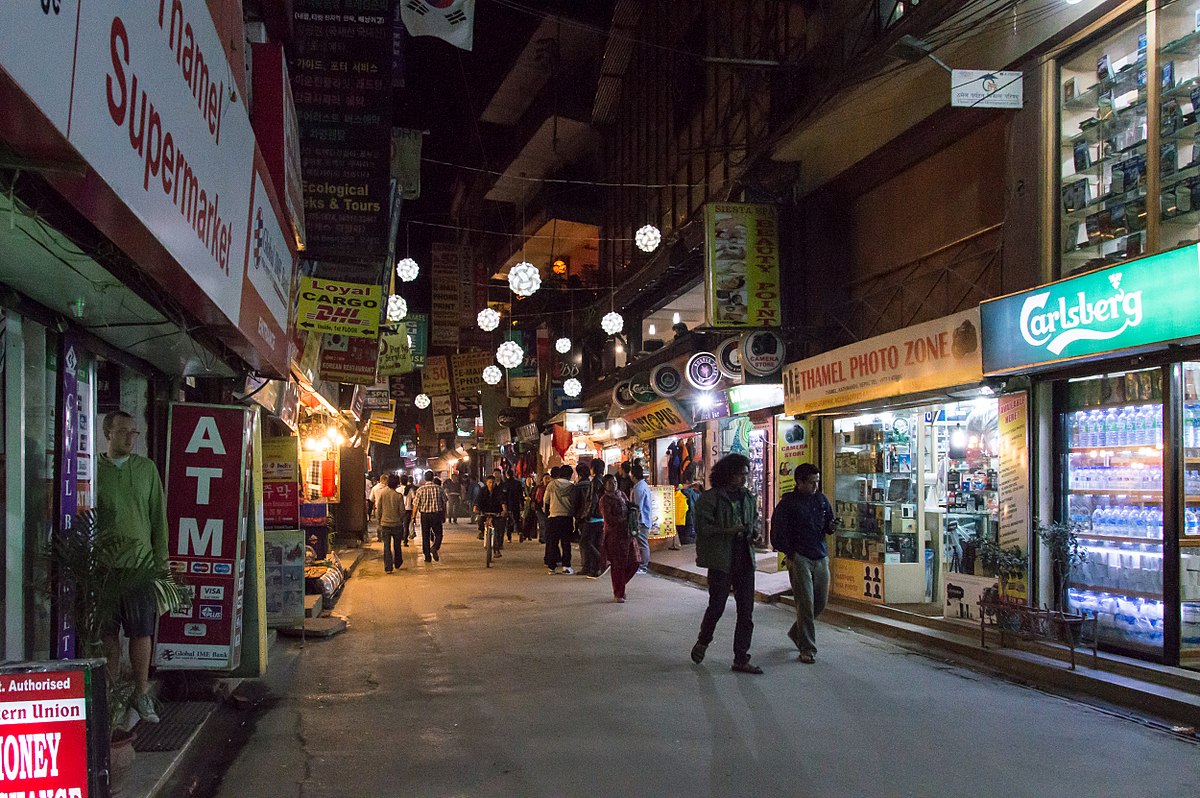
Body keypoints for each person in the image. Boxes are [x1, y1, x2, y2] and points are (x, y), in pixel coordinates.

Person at [97, 410, 168, 723]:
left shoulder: (146, 469)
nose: (130, 437)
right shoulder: (93, 467)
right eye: (123, 431)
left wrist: (161, 564)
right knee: (107, 633)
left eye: (134, 432)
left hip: (139, 565)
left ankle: (141, 692)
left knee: (140, 632)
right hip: (103, 566)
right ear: (107, 433)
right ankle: (111, 696)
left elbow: (158, 520)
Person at [690, 453, 762, 674]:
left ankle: (741, 657)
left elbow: (754, 521)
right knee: (717, 606)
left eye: (745, 475)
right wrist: (728, 531)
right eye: (740, 475)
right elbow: (702, 529)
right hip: (721, 560)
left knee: (746, 612)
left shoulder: (747, 497)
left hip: (745, 560)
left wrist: (754, 533)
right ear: (727, 474)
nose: (744, 479)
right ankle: (703, 641)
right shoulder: (710, 499)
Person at [771, 463, 836, 664]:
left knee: (820, 601)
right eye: (811, 482)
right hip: (800, 557)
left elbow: (828, 525)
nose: (815, 486)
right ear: (799, 482)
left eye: (817, 482)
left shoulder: (821, 500)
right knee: (805, 603)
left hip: (820, 555)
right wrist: (790, 553)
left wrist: (833, 526)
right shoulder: (788, 504)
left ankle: (796, 632)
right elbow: (777, 533)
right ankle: (807, 648)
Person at [599, 475, 640, 601]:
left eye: (615, 482)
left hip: (627, 535)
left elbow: (628, 506)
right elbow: (609, 519)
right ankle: (619, 593)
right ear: (605, 485)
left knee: (635, 562)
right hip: (614, 536)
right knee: (618, 565)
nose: (613, 485)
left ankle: (620, 585)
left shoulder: (621, 494)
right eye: (610, 483)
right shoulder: (604, 500)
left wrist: (633, 510)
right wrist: (624, 521)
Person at [543, 465, 576, 574]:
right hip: (567, 517)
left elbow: (546, 500)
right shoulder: (572, 487)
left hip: (553, 517)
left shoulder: (551, 485)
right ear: (570, 475)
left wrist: (548, 513)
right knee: (566, 543)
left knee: (553, 543)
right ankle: (566, 566)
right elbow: (574, 502)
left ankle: (551, 567)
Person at [375, 474, 406, 573]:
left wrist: (379, 520)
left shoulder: (383, 494)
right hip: (397, 524)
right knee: (397, 545)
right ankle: (398, 562)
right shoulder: (398, 496)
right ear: (397, 484)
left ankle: (388, 567)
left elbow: (378, 509)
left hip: (385, 524)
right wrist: (400, 520)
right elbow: (402, 511)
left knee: (386, 546)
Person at [413, 471, 447, 562]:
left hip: (425, 515)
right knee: (439, 534)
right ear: (433, 478)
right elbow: (444, 502)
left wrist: (413, 517)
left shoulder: (420, 490)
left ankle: (427, 556)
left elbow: (415, 504)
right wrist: (444, 514)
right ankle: (435, 547)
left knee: (425, 535)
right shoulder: (439, 489)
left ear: (425, 478)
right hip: (436, 514)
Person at [475, 474, 506, 558]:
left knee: (496, 530)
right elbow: (477, 500)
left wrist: (504, 511)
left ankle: (496, 549)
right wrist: (476, 508)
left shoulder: (498, 491)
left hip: (495, 512)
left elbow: (502, 501)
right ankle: (482, 532)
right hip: (484, 511)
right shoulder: (482, 490)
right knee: (480, 521)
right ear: (486, 483)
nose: (491, 484)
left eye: (492, 482)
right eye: (489, 482)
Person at [629, 464, 653, 574]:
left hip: (642, 520)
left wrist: (635, 520)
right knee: (641, 543)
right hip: (644, 518)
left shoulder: (639, 487)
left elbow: (637, 506)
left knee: (643, 543)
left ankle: (644, 566)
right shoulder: (642, 485)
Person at [500, 469, 525, 544]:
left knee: (509, 521)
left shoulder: (505, 484)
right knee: (517, 519)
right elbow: (521, 495)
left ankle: (509, 537)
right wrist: (522, 504)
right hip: (516, 504)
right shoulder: (518, 483)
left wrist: (503, 505)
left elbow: (503, 496)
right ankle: (520, 532)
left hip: (508, 505)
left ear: (507, 475)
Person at [368, 474, 390, 539]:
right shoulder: (388, 489)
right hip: (386, 508)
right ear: (384, 480)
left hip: (377, 508)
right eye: (387, 480)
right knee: (385, 523)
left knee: (379, 523)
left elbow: (371, 499)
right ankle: (384, 536)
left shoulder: (374, 488)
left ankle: (379, 536)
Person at [399, 474, 416, 546]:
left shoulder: (398, 490)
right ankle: (405, 541)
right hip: (408, 509)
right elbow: (414, 499)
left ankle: (400, 538)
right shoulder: (410, 489)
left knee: (400, 525)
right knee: (406, 526)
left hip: (399, 510)